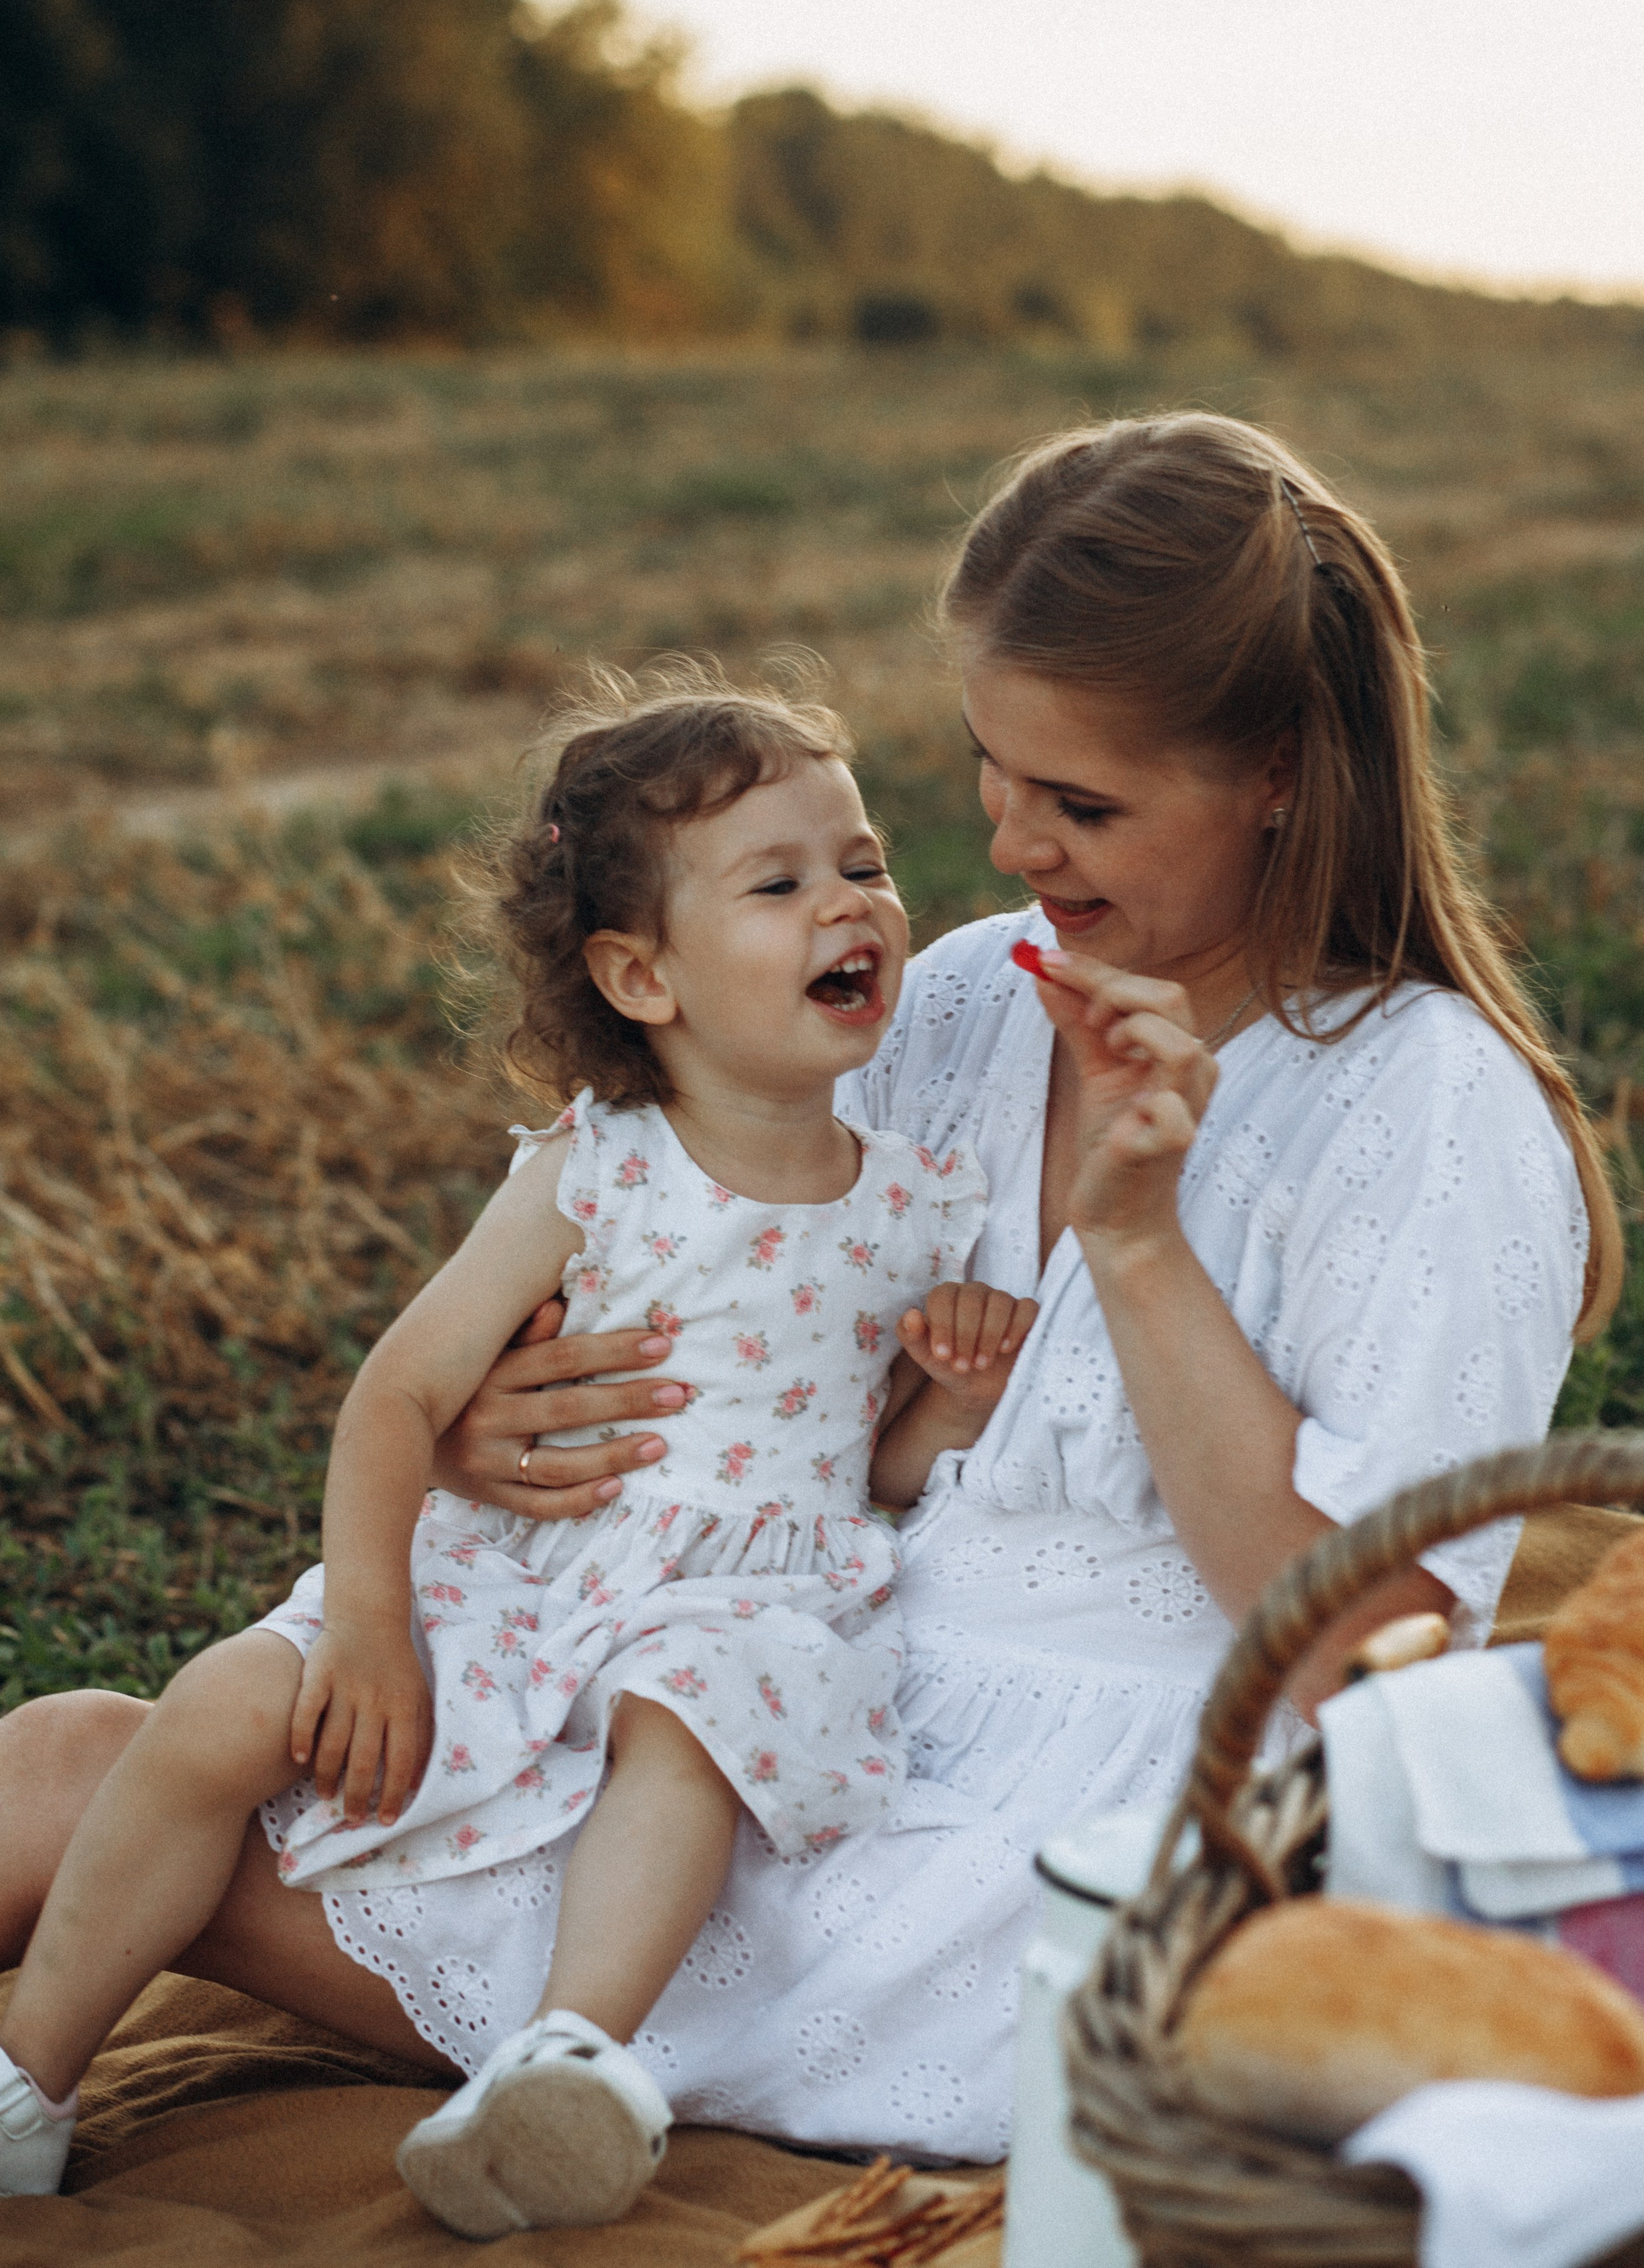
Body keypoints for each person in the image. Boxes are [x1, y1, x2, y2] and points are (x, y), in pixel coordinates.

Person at [0, 412, 1618, 2171]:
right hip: (755, 1657)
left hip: (1053, 1832)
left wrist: (1139, 1252)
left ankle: (564, 2053)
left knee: (88, 1794)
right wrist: (484, 1430)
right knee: (77, 1753)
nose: (1012, 846)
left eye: (1082, 805)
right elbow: (733, 1307)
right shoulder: (968, 997)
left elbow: (1357, 1663)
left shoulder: (1428, 1112)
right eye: (992, 773)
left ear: (1282, 774)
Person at [0, 675, 1032, 2231]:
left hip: (737, 1599)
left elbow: (868, 1469)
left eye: (864, 863)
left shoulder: (909, 1201)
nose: (849, 905)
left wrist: (946, 1401)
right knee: (221, 1703)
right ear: (640, 974)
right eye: (778, 884)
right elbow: (397, 1400)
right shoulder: (596, 1168)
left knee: (697, 1717)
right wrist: (367, 1628)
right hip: (524, 1574)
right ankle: (31, 2081)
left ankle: (564, 2058)